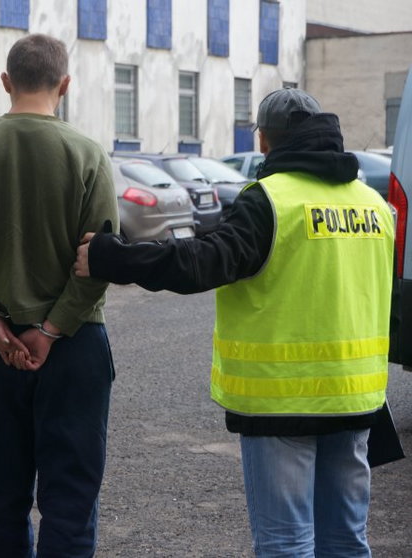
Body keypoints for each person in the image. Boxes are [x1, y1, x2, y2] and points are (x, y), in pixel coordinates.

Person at [75, 88, 394, 557]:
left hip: (283, 402)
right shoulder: (372, 204)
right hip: (356, 398)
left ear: (264, 141)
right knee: (346, 539)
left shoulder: (270, 201)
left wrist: (111, 257)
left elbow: (199, 261)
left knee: (286, 542)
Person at [0, 34, 119, 558]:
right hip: (75, 344)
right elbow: (99, 259)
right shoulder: (88, 154)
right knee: (71, 503)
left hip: (0, 347)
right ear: (65, 84)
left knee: (3, 499)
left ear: (5, 82)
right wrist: (52, 329)